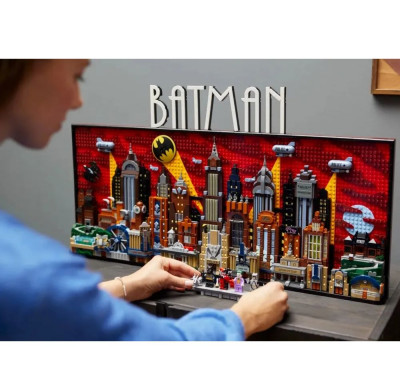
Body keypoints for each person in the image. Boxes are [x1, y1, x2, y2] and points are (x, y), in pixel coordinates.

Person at [0, 59, 288, 340]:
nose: (78, 101)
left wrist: (129, 285)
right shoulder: (30, 273)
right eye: (77, 76)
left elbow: (62, 308)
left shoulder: (20, 267)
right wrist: (243, 318)